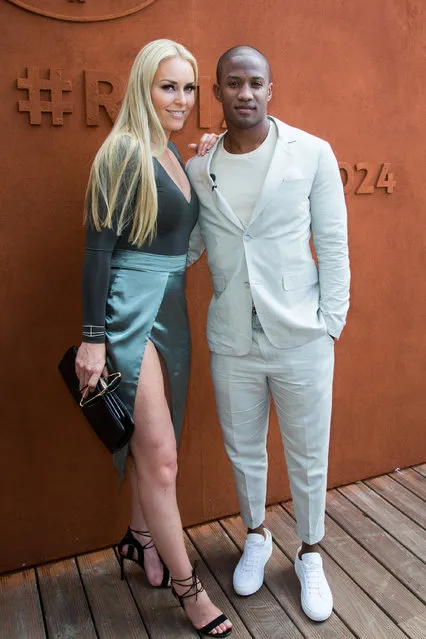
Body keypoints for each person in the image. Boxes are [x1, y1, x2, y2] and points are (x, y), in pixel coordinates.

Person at [186, 45, 350, 622]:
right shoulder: (199, 168)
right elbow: (189, 248)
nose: (246, 93)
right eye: (233, 83)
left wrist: (330, 322)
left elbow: (332, 244)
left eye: (256, 82)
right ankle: (257, 534)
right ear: (218, 92)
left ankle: (309, 552)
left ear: (270, 89)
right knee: (243, 449)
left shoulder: (313, 153)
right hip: (232, 339)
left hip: (301, 334)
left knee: (309, 454)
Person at [75, 39, 232, 637]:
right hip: (126, 314)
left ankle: (141, 540)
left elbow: (182, 244)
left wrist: (208, 165)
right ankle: (191, 592)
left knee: (152, 446)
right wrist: (93, 340)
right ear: (144, 85)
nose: (182, 99)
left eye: (190, 88)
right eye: (170, 86)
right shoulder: (120, 152)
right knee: (162, 457)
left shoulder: (170, 152)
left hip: (171, 312)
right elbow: (96, 255)